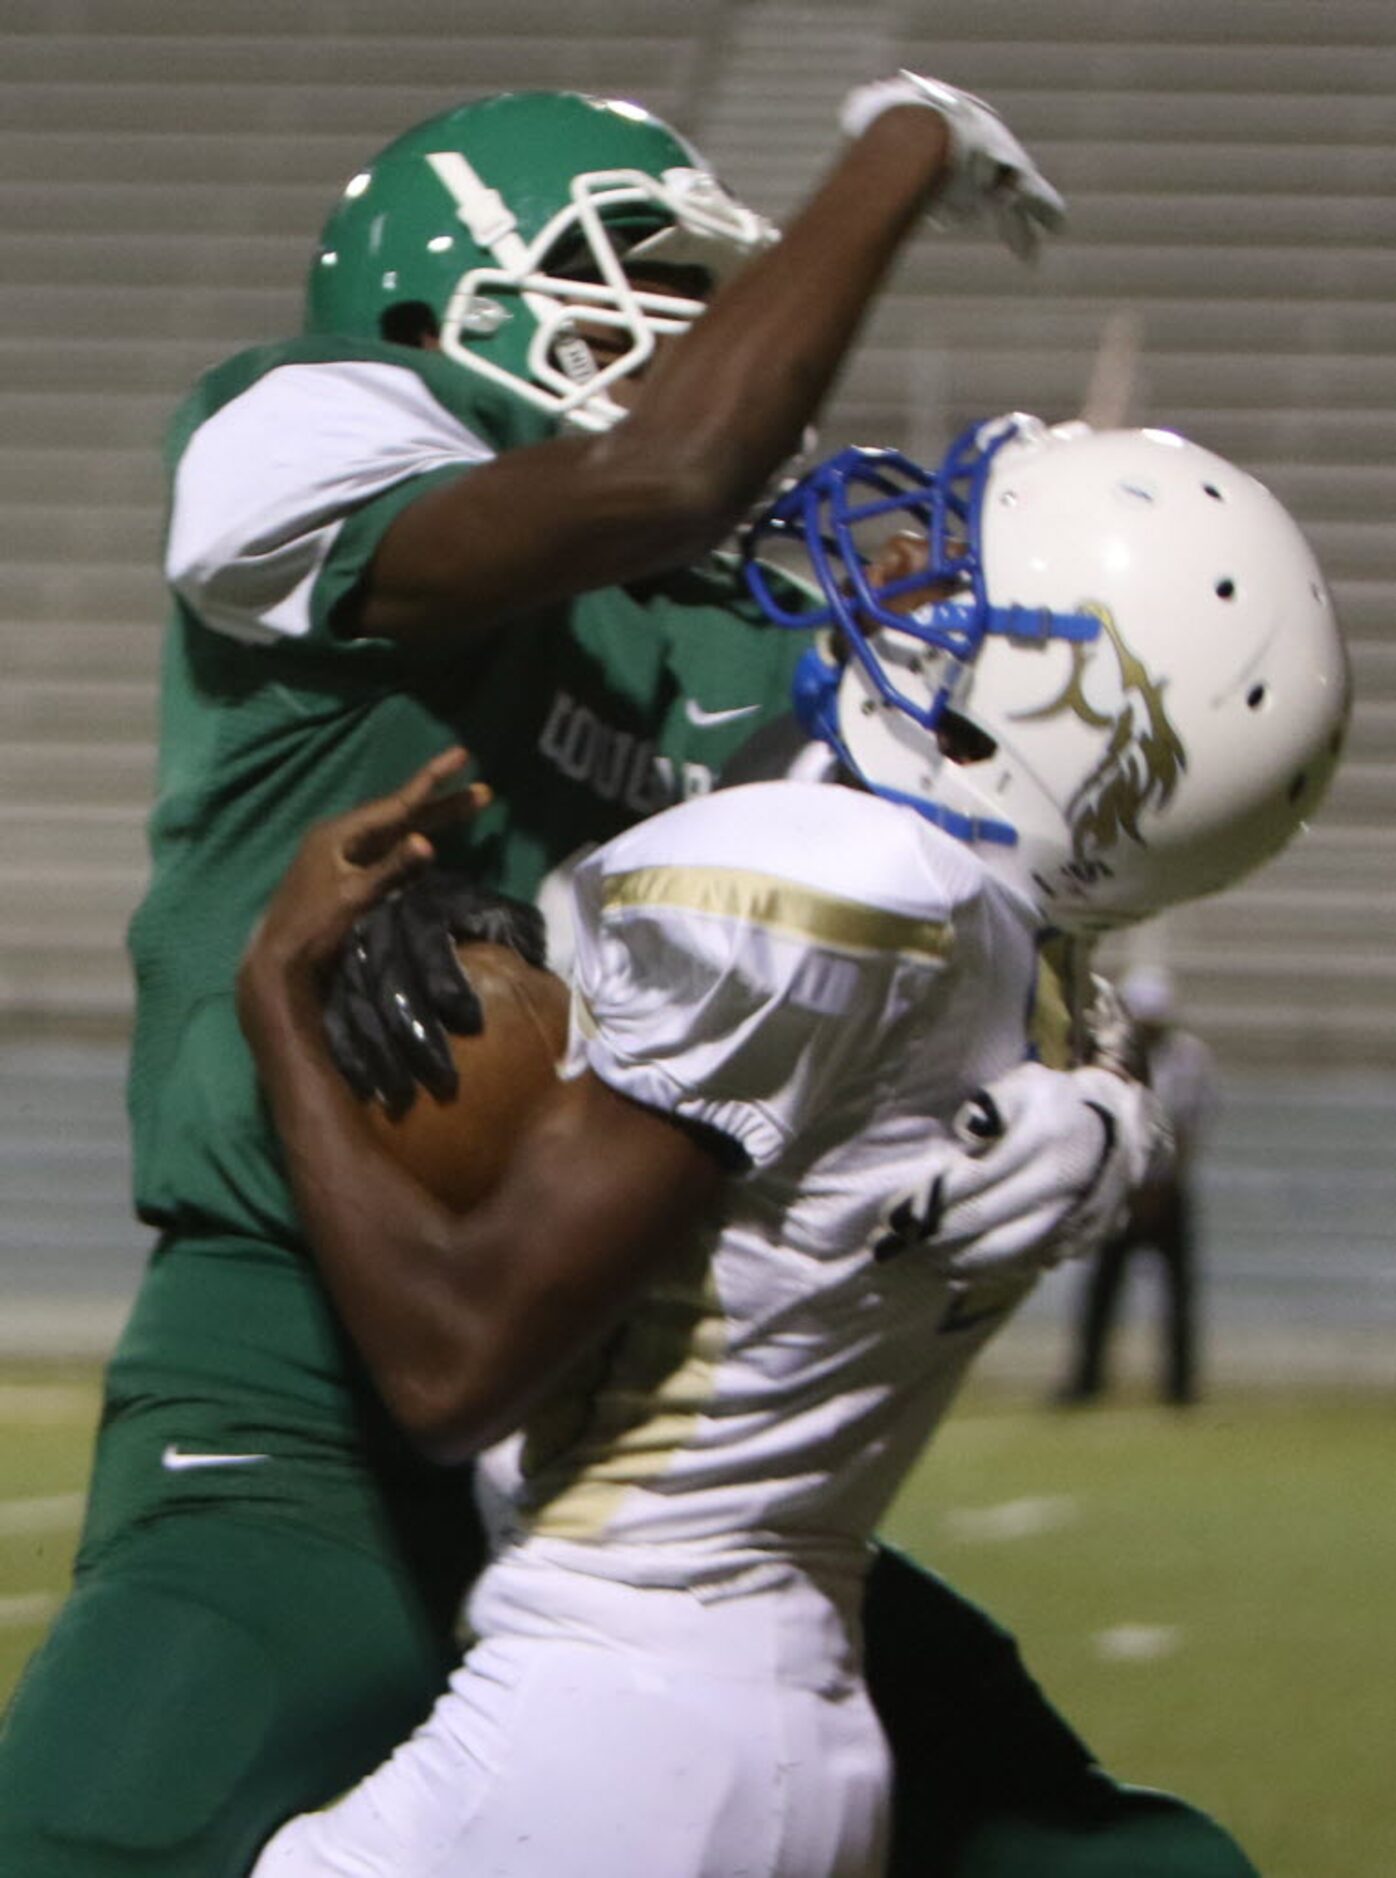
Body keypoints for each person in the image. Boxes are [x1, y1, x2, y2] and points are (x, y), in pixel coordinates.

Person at [0, 73, 1076, 1878]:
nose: (695, 336)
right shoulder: (304, 425)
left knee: (1093, 1842)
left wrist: (1081, 1100)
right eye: (637, 283)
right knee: (98, 1831)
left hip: (638, 1410)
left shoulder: (740, 645)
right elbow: (668, 474)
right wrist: (900, 149)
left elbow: (995, 901)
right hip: (296, 1372)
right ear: (438, 308)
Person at [236, 417, 1346, 1875]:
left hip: (611, 1719)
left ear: (1053, 706)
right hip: (778, 1717)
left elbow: (456, 1367)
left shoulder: (831, 884)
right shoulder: (1033, 968)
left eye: (960, 573)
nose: (897, 569)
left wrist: (277, 1003)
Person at [1059, 966, 1218, 1406]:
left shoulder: (1189, 1057)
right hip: (1121, 1185)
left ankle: (1180, 1386)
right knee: (1103, 1289)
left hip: (1166, 1190)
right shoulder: (1108, 1055)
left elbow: (1191, 1125)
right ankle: (1086, 1380)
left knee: (1178, 1292)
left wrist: (1163, 1185)